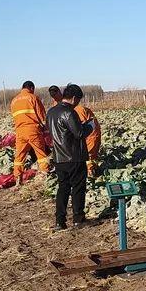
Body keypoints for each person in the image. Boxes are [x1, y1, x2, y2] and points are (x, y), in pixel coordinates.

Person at [47, 84, 95, 230]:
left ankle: (59, 221)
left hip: (59, 157)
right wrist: (89, 126)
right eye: (78, 100)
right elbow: (79, 133)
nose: (78, 103)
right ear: (74, 98)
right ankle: (78, 219)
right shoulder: (69, 112)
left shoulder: (51, 112)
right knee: (78, 188)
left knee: (63, 188)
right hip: (73, 157)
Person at [10, 80, 50, 183]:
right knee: (41, 154)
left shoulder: (14, 101)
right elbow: (42, 116)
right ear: (31, 88)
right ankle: (44, 175)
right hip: (33, 130)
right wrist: (46, 129)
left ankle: (18, 177)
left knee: (19, 156)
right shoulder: (33, 97)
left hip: (20, 131)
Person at [74, 98, 101, 179]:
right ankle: (94, 170)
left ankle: (90, 173)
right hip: (93, 133)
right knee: (92, 154)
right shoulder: (80, 108)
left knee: (88, 154)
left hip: (90, 134)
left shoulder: (78, 110)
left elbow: (81, 125)